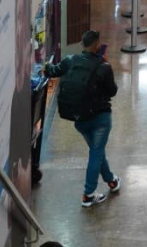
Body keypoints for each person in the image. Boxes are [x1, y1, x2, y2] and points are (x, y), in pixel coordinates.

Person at [43, 30, 121, 208]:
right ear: (98, 46)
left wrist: (45, 66)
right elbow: (112, 92)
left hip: (80, 119)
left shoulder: (70, 61)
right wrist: (105, 64)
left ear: (82, 44)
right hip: (100, 119)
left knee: (97, 151)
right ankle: (88, 194)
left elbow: (52, 71)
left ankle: (112, 181)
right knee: (96, 152)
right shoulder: (103, 67)